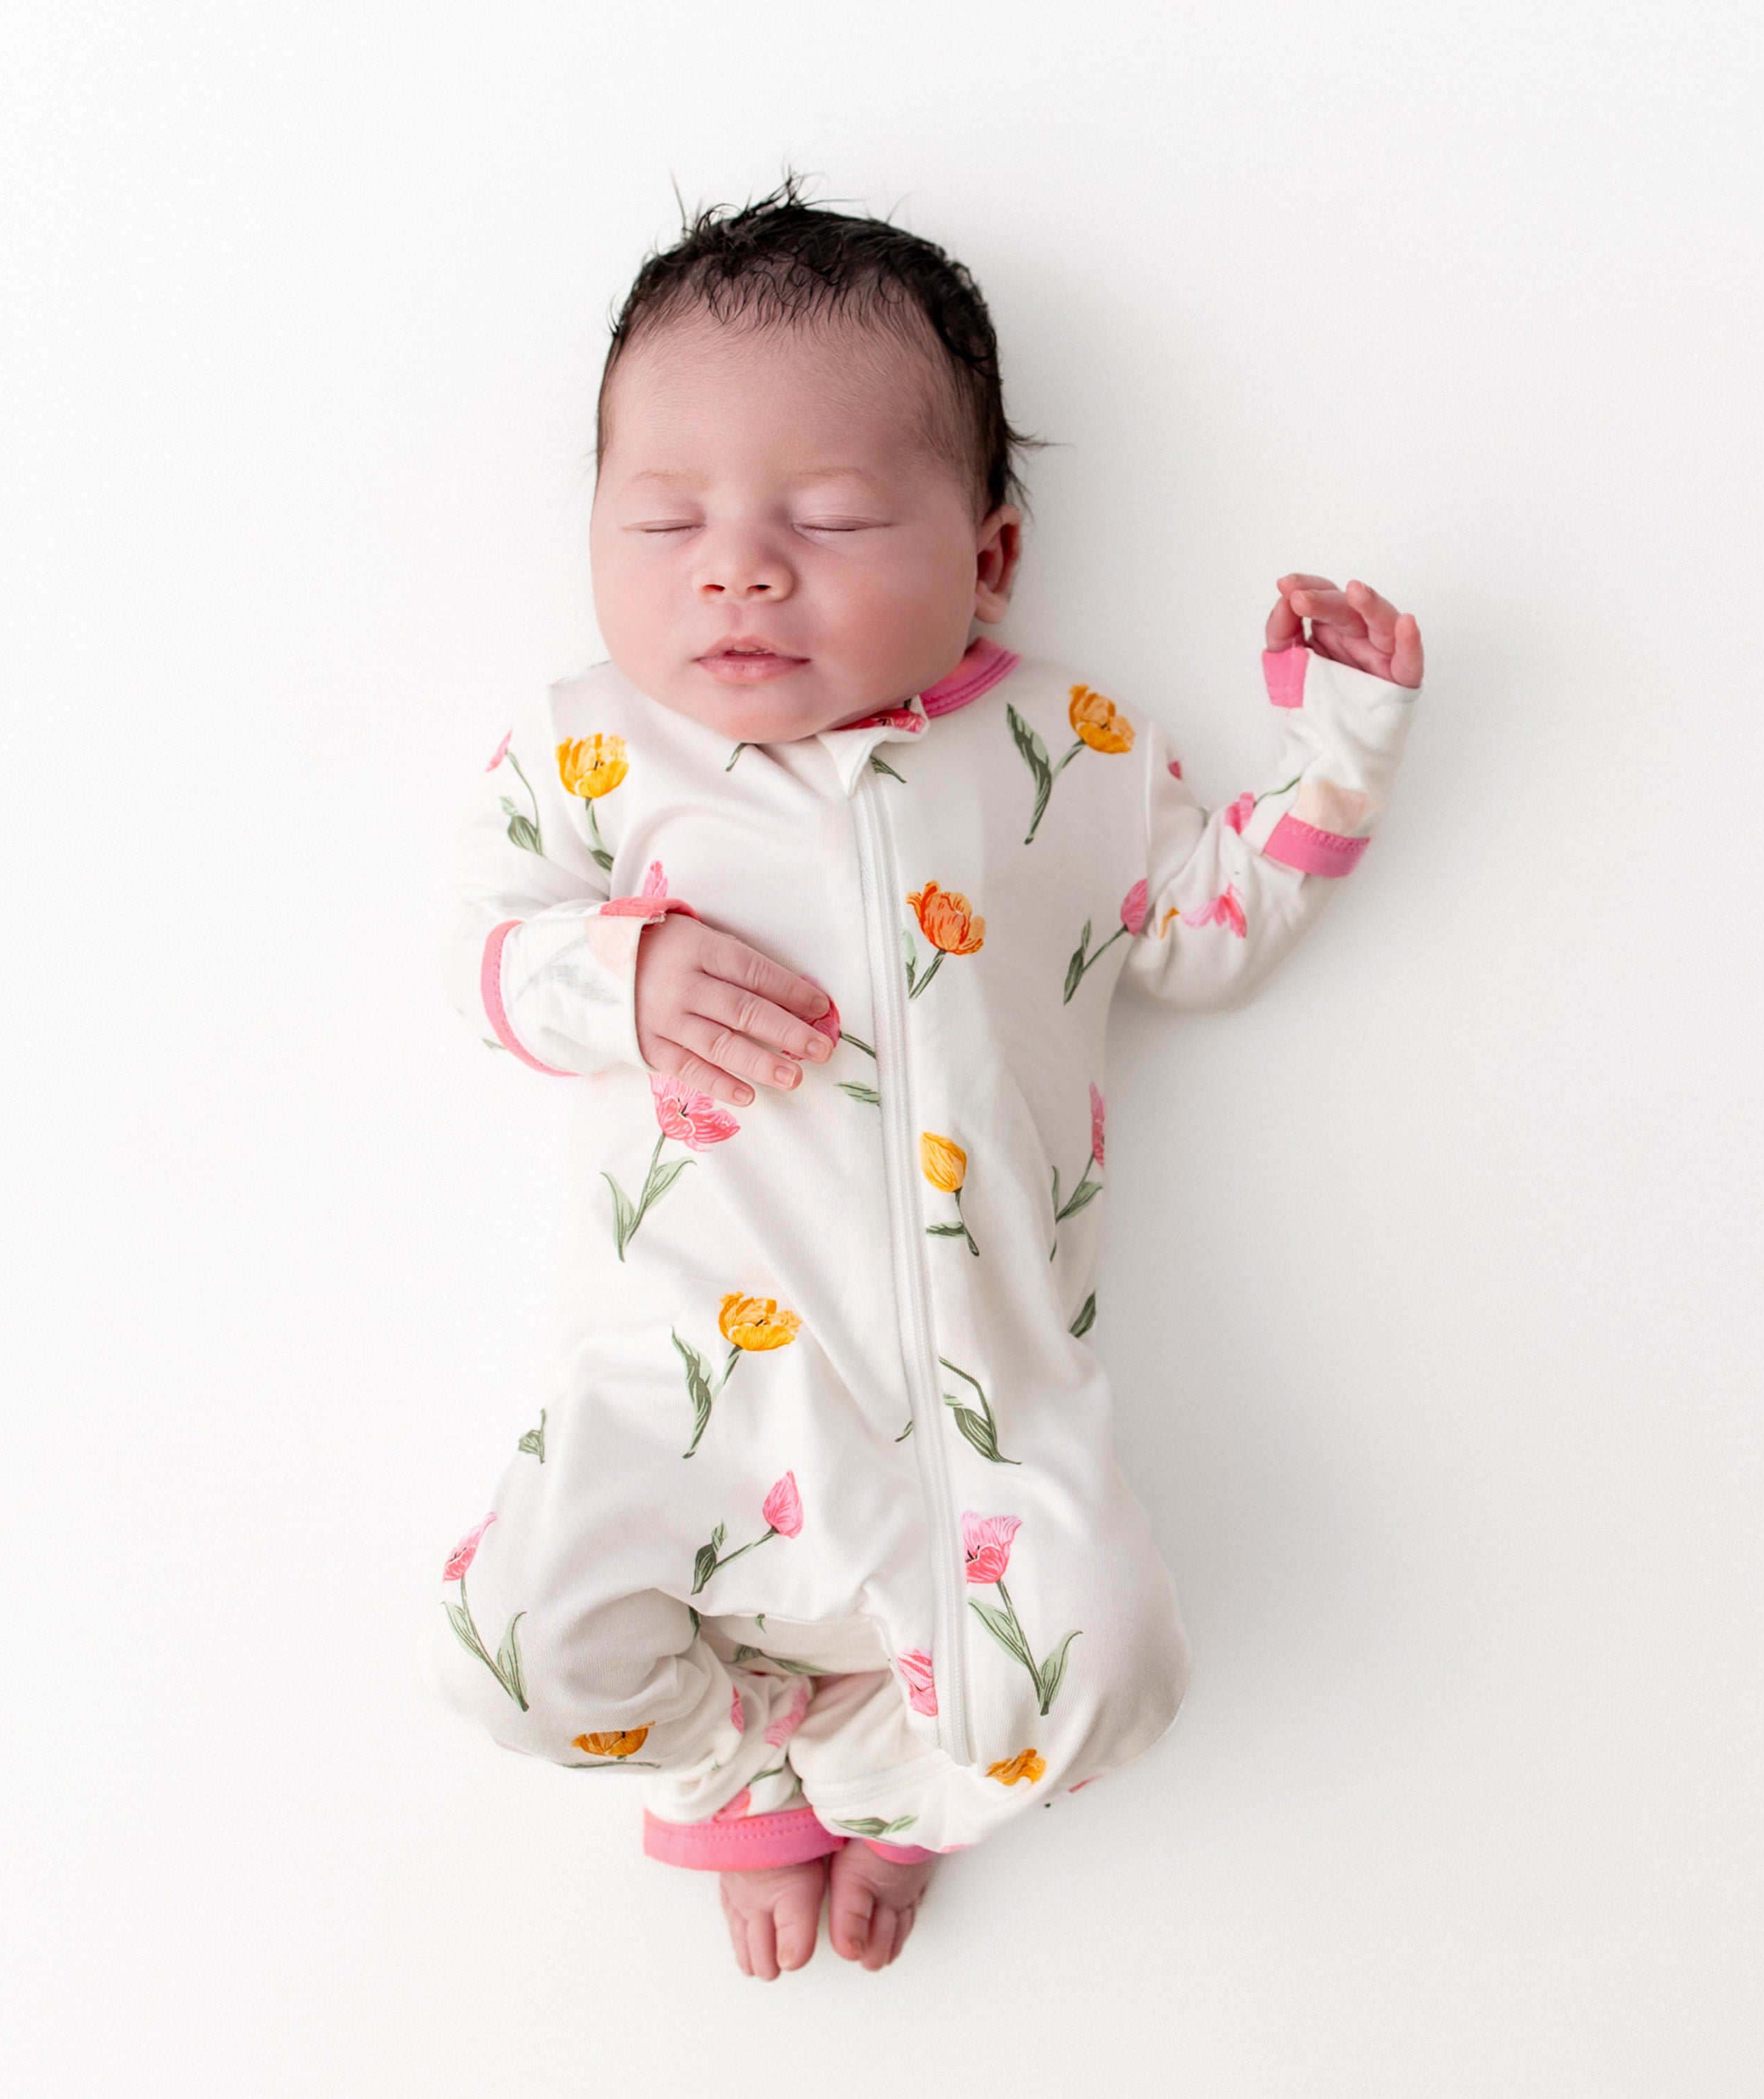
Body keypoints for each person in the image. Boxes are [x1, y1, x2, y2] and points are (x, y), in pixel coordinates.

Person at [429, 178, 1424, 1979]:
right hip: (675, 1386)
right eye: (663, 519)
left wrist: (1336, 748)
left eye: (826, 517)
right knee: (507, 1647)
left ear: (988, 556)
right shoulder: (588, 743)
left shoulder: (1070, 746)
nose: (736, 564)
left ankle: (888, 1783)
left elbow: (1201, 931)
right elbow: (489, 953)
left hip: (980, 1396)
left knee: (1114, 1667)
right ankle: (743, 1768)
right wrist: (619, 968)